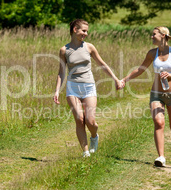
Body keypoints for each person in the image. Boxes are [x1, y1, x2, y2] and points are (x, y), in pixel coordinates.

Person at [119, 26, 171, 168]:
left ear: (163, 35)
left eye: (154, 35)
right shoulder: (152, 53)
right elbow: (140, 69)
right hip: (156, 94)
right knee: (158, 122)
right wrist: (124, 80)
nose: (151, 37)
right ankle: (161, 157)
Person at [53, 19, 123, 157]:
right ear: (75, 30)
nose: (86, 34)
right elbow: (61, 72)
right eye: (84, 31)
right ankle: (85, 152)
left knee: (90, 121)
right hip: (72, 87)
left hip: (89, 86)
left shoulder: (89, 47)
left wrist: (115, 79)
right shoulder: (64, 50)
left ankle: (94, 136)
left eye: (86, 31)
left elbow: (102, 64)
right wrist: (56, 91)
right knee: (79, 119)